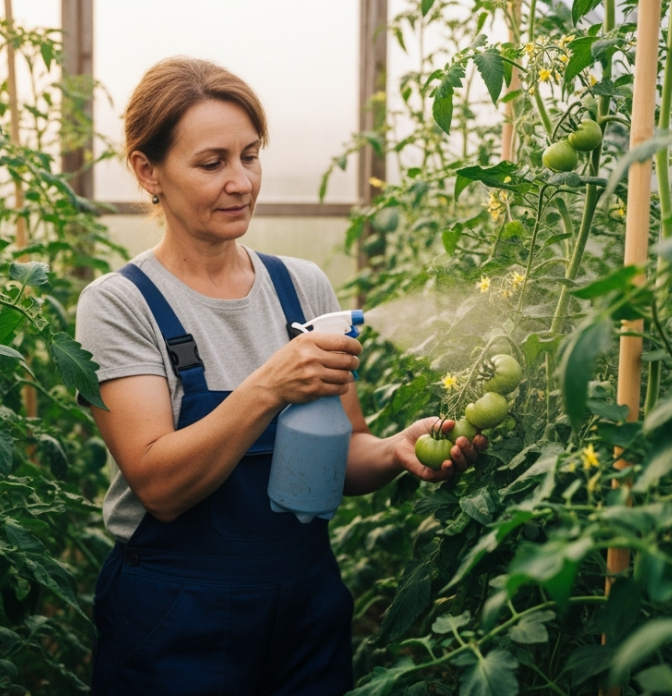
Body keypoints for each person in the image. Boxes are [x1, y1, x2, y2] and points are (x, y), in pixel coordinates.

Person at [75, 57, 486, 695]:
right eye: (212, 163)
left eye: (251, 155)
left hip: (306, 603)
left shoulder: (302, 286)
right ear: (147, 171)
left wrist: (396, 450)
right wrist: (270, 385)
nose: (240, 182)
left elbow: (342, 452)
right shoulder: (119, 304)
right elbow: (159, 484)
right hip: (177, 611)